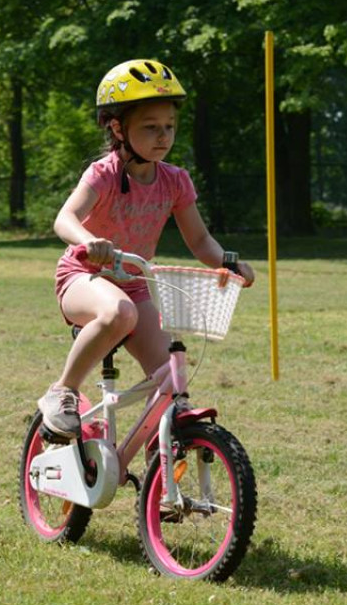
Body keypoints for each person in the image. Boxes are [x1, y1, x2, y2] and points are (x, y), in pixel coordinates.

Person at [38, 59, 255, 440]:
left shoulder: (175, 181)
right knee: (118, 313)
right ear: (118, 128)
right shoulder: (103, 174)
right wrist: (88, 242)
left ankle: (164, 454)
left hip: (135, 284)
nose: (163, 136)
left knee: (171, 378)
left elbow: (200, 241)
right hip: (83, 277)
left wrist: (229, 262)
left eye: (169, 126)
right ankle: (63, 391)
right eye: (151, 127)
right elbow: (65, 218)